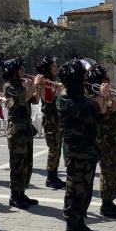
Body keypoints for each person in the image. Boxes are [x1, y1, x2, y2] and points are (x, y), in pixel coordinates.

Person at [57, 58, 110, 231]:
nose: (87, 79)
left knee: (85, 190)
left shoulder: (80, 96)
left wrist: (103, 98)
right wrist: (101, 96)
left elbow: (100, 113)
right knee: (75, 190)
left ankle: (80, 223)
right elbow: (91, 112)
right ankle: (71, 228)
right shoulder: (66, 99)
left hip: (88, 148)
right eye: (84, 76)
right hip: (76, 151)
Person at [87, 63, 116, 218]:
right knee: (109, 173)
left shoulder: (106, 94)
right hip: (105, 140)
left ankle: (110, 201)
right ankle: (106, 204)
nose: (109, 82)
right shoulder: (95, 97)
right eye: (106, 79)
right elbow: (109, 108)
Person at [2, 57, 41, 209]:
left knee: (27, 163)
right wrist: (34, 85)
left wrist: (38, 88)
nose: (24, 71)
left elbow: (35, 100)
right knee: (17, 164)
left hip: (26, 128)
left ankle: (22, 192)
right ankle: (14, 195)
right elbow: (20, 100)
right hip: (16, 129)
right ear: (14, 72)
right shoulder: (8, 86)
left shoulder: (24, 85)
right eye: (21, 69)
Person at [36, 56, 65, 189]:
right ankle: (50, 177)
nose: (56, 68)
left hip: (56, 117)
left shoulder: (52, 81)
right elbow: (47, 99)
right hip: (49, 118)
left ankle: (54, 175)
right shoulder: (44, 83)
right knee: (53, 148)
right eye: (53, 66)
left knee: (58, 147)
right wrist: (57, 90)